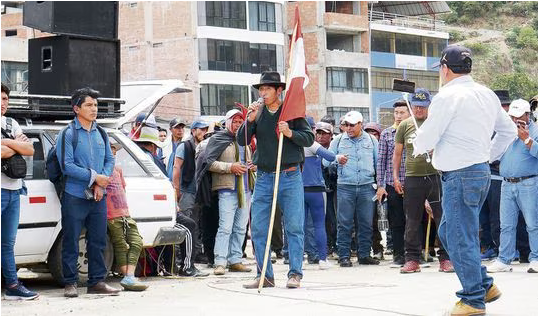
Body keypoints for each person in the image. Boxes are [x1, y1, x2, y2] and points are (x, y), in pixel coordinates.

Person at [413, 45, 517, 315]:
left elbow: (428, 136)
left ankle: (472, 299)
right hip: (478, 171)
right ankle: (484, 284)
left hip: (459, 174)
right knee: (450, 232)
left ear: (445, 69)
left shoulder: (448, 96)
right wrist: (485, 156)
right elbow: (508, 131)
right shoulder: (486, 93)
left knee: (460, 236)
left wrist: (418, 143)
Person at [238, 71, 314, 289]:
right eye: (261, 89)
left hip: (289, 176)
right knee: (260, 229)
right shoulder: (257, 112)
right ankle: (265, 275)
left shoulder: (291, 112)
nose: (262, 93)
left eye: (267, 89)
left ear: (279, 90)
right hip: (263, 177)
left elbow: (308, 138)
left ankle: (295, 273)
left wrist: (290, 133)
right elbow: (241, 140)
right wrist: (249, 121)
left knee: (293, 226)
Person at [56, 87, 119, 297]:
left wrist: (101, 183)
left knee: (98, 239)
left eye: (95, 105)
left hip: (98, 195)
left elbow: (109, 160)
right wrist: (94, 177)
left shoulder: (101, 133)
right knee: (72, 239)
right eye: (89, 105)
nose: (94, 109)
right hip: (74, 195)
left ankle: (97, 282)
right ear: (76, 109)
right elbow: (67, 166)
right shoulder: (68, 133)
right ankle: (70, 282)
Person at [134, 125, 208, 277]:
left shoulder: (145, 158)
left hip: (153, 206)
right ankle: (187, 267)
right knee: (189, 228)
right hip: (157, 207)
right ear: (153, 145)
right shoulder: (148, 159)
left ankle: (170, 266)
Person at [393, 88, 453, 274]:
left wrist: (439, 151)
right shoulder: (405, 125)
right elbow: (397, 153)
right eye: (416, 106)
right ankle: (412, 258)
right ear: (411, 105)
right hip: (413, 177)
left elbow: (449, 146)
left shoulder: (436, 123)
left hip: (436, 175)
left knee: (442, 217)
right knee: (412, 219)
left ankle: (446, 258)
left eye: (423, 106)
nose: (419, 110)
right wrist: (396, 176)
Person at [487, 99, 538, 274]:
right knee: (506, 225)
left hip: (529, 182)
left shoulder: (536, 131)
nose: (515, 120)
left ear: (527, 115)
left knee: (533, 223)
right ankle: (504, 259)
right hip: (506, 183)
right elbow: (494, 153)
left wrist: (527, 140)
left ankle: (536, 258)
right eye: (512, 116)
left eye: (518, 116)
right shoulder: (506, 132)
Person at [325, 110, 379, 268]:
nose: (348, 128)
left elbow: (378, 163)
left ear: (361, 124)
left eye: (352, 125)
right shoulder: (338, 141)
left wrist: (379, 185)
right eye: (346, 125)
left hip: (367, 186)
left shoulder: (371, 140)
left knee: (366, 223)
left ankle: (364, 255)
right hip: (345, 187)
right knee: (344, 222)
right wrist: (336, 159)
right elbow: (325, 162)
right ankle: (344, 256)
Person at [1, 83, 39, 300]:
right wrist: (14, 143)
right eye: (0, 98)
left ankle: (13, 286)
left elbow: (30, 150)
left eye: (6, 98)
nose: (3, 102)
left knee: (7, 242)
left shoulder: (11, 122)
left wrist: (7, 142)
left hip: (15, 190)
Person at [203, 110, 252, 275]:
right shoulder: (218, 138)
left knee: (240, 227)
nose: (238, 125)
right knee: (225, 227)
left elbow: (247, 161)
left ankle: (236, 260)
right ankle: (220, 262)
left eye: (240, 122)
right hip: (227, 189)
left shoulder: (245, 140)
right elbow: (208, 163)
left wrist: (252, 166)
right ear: (227, 122)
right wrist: (230, 167)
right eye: (235, 121)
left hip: (245, 190)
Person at [106, 142, 148, 291]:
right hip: (111, 215)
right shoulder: (101, 170)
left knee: (137, 242)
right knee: (121, 245)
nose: (112, 155)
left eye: (114, 153)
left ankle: (129, 275)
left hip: (125, 213)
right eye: (109, 152)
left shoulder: (118, 170)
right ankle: (128, 277)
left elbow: (123, 190)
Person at [376, 100, 410, 267]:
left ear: (409, 113)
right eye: (396, 113)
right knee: (396, 221)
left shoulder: (416, 132)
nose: (398, 116)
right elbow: (381, 161)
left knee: (414, 220)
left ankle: (413, 254)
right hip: (392, 183)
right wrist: (380, 185)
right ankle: (398, 255)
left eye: (402, 112)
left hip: (413, 182)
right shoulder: (387, 134)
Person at [172, 119, 208, 262]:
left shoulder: (205, 146)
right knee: (183, 223)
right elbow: (176, 168)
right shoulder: (185, 146)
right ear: (193, 131)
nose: (203, 132)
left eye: (205, 129)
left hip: (198, 192)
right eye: (201, 129)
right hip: (186, 190)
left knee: (195, 225)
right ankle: (178, 257)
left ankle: (193, 255)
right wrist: (177, 190)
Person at [303, 118, 336, 269]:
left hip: (298, 189)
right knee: (319, 225)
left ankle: (297, 258)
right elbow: (329, 156)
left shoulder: (291, 143)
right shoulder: (310, 142)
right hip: (315, 189)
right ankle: (322, 259)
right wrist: (339, 157)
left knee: (298, 226)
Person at [316, 121, 337, 257]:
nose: (321, 136)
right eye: (319, 133)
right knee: (320, 220)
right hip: (316, 189)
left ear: (331, 135)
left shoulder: (334, 148)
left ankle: (335, 245)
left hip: (334, 188)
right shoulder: (312, 148)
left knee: (334, 219)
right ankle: (325, 246)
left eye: (325, 133)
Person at [364, 122, 384, 260]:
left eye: (375, 133)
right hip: (366, 188)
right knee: (367, 220)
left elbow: (381, 167)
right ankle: (370, 249)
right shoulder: (363, 147)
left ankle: (381, 248)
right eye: (369, 132)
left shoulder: (381, 148)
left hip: (380, 187)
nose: (372, 136)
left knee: (378, 220)